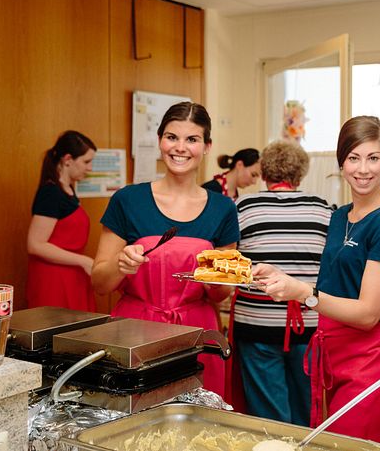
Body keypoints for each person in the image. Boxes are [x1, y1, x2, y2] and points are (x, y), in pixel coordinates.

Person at [253, 116, 380, 451]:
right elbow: (336, 282)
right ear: (341, 161)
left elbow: (368, 313)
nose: (364, 169)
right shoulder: (340, 215)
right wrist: (279, 275)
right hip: (334, 358)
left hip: (372, 364)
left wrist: (303, 294)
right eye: (354, 158)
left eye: (374, 158)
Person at [91, 102, 239, 396]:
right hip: (135, 331)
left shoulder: (223, 208)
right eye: (172, 137)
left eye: (192, 139)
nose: (180, 148)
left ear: (207, 146)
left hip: (198, 332)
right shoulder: (128, 200)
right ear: (160, 140)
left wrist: (216, 279)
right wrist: (120, 264)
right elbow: (99, 283)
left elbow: (221, 293)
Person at [230, 139, 332, 425]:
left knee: (267, 417)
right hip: (310, 324)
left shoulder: (243, 206)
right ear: (300, 175)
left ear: (263, 173)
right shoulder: (323, 209)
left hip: (256, 324)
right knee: (305, 410)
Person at [27, 130, 97, 311]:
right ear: (67, 160)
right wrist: (84, 261)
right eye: (86, 162)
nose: (90, 168)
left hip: (72, 276)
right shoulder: (51, 193)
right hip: (53, 281)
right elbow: (36, 244)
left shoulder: (68, 190)